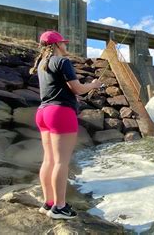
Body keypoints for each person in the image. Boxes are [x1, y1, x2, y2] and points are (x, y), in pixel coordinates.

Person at [29, 30, 101, 219]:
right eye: (63, 43)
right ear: (57, 45)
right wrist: (93, 85)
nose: (66, 45)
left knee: (49, 160)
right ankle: (60, 208)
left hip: (43, 113)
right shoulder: (62, 62)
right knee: (61, 162)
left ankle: (48, 203)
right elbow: (77, 88)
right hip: (60, 113)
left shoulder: (41, 64)